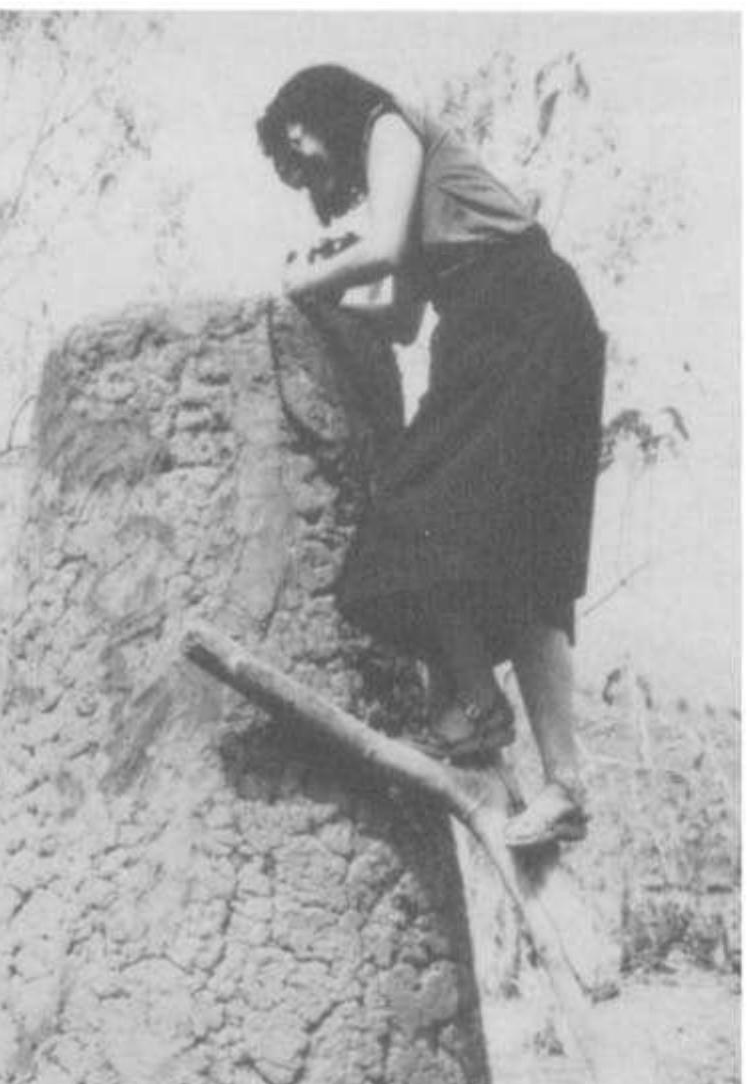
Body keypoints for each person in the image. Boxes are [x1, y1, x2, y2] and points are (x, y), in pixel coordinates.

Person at [257, 65, 607, 850]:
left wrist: (303, 279)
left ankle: (522, 747)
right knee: (466, 544)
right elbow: (403, 320)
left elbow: (378, 252)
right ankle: (516, 744)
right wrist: (330, 296)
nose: (301, 159)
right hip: (484, 329)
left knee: (470, 536)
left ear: (323, 107)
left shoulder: (386, 124)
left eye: (296, 137)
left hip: (525, 316)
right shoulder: (405, 193)